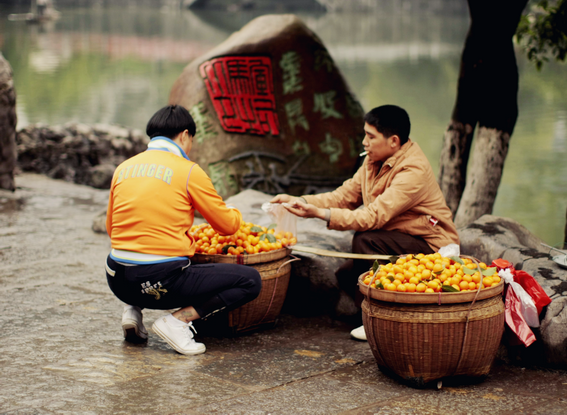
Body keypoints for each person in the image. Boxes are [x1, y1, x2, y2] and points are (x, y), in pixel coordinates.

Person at [270, 105, 459, 341]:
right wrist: (301, 201)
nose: (364, 142)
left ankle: (372, 321)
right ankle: (382, 309)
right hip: (399, 237)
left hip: (432, 247)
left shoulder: (413, 171)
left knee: (364, 240)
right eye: (365, 134)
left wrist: (319, 213)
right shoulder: (372, 160)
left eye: (370, 136)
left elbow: (372, 217)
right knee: (346, 276)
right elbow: (343, 197)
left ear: (393, 141)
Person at [105, 105, 261, 355]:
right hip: (160, 284)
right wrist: (233, 209)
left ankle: (132, 310)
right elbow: (228, 226)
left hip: (117, 280)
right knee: (250, 281)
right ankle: (178, 321)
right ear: (185, 135)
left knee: (142, 254)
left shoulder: (124, 168)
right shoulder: (188, 170)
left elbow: (111, 228)